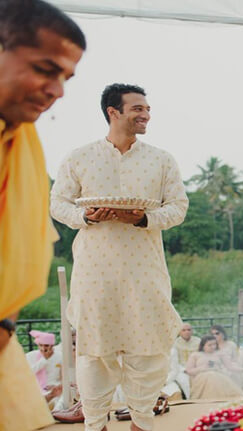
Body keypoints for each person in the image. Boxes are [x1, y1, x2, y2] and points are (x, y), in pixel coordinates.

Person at [50, 83, 188, 431]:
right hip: (95, 269)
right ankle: (95, 423)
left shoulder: (160, 160)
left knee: (150, 347)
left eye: (147, 109)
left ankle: (142, 421)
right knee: (95, 350)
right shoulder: (80, 157)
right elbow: (58, 204)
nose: (146, 115)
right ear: (114, 112)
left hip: (145, 269)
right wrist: (85, 217)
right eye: (138, 109)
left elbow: (178, 207)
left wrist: (142, 218)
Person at [0, 1, 85, 429]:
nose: (58, 91)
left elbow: (27, 242)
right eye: (45, 69)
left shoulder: (24, 138)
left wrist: (5, 322)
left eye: (66, 77)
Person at [186, 335, 243, 400]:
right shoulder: (195, 355)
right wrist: (202, 368)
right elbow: (189, 371)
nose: (213, 347)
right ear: (203, 346)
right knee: (210, 375)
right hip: (202, 376)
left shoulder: (220, 354)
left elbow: (230, 367)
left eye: (214, 344)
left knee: (213, 375)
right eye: (210, 345)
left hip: (218, 375)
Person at [25, 330, 63, 409]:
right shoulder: (31, 355)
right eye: (40, 345)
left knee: (58, 401)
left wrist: (57, 386)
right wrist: (44, 359)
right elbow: (28, 373)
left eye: (46, 345)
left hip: (54, 388)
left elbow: (63, 377)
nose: (43, 348)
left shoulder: (60, 356)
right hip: (36, 388)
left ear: (52, 345)